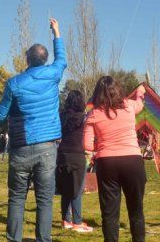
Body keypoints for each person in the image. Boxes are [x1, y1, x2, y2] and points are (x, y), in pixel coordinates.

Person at [0, 17, 66, 242]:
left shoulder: (14, 83)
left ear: (27, 60)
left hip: (21, 147)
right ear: (45, 60)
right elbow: (62, 58)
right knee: (44, 198)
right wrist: (56, 32)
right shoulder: (53, 74)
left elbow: (1, 113)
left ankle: (14, 238)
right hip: (47, 146)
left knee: (17, 198)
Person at [84, 78, 146, 242]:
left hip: (107, 162)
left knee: (109, 213)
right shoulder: (129, 105)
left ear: (97, 93)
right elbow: (140, 104)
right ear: (118, 90)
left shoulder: (93, 114)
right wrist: (140, 92)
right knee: (136, 210)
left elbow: (87, 145)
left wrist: (102, 142)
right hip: (133, 161)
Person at [56, 90, 92, 234]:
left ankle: (66, 220)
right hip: (77, 155)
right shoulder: (83, 118)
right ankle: (77, 222)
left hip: (62, 154)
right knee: (77, 190)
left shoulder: (61, 116)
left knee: (66, 189)